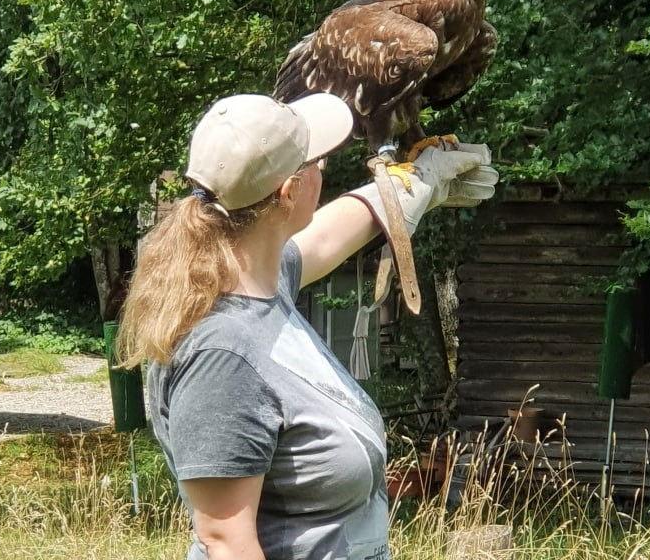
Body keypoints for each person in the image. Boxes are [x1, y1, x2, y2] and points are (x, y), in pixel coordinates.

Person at [116, 93, 498, 560]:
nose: (325, 169)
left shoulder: (262, 284)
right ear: (289, 193)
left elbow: (327, 234)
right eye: (315, 160)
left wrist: (418, 184)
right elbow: (225, 542)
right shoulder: (223, 355)